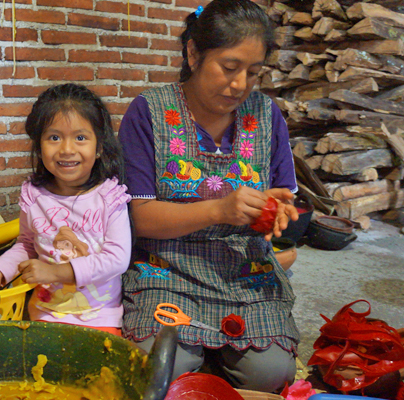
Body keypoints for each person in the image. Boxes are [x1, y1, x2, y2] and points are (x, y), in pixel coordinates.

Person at [117, 0, 300, 392]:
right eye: (230, 68)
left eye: (253, 72)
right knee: (165, 370)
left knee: (271, 375)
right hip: (166, 268)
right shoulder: (148, 112)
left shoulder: (267, 116)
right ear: (194, 53)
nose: (240, 85)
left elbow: (287, 198)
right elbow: (143, 217)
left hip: (244, 273)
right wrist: (219, 208)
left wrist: (277, 211)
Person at [0, 83, 131, 336]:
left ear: (100, 147)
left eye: (80, 138)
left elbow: (117, 259)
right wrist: (0, 268)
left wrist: (56, 272)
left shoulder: (109, 197)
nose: (67, 149)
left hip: (98, 319)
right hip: (43, 314)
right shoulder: (34, 196)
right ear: (39, 147)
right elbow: (27, 244)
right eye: (54, 137)